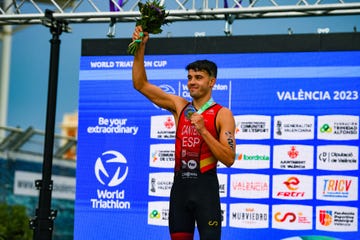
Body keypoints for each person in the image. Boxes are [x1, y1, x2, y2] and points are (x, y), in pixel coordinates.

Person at [131, 26, 236, 240]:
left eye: (198, 77)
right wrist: (140, 48)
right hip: (179, 190)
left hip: (206, 190)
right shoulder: (180, 106)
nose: (192, 82)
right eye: (189, 77)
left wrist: (204, 131)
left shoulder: (222, 114)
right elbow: (140, 84)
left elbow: (229, 158)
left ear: (211, 81)